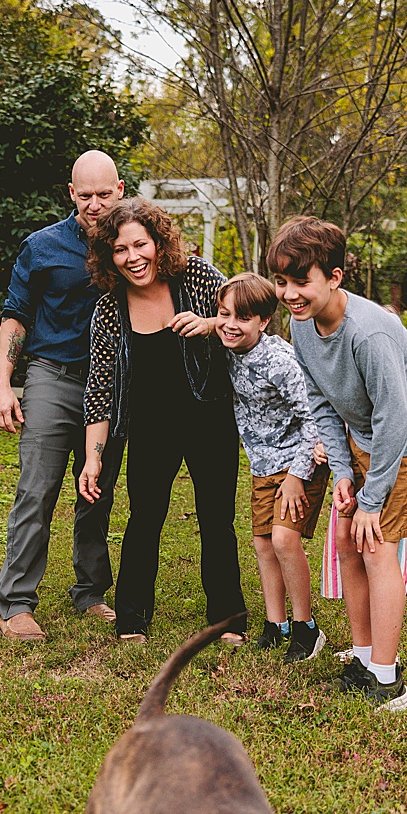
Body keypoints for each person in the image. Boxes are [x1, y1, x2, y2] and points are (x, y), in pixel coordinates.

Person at [269, 216, 407, 711]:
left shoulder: (368, 335)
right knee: (346, 541)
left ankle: (389, 682)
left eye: (300, 281)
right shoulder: (302, 326)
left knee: (375, 545)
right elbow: (319, 399)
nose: (289, 294)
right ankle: (365, 658)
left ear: (334, 276)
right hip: (364, 437)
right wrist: (346, 474)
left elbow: (396, 420)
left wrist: (371, 500)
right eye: (282, 282)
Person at [77, 198, 246, 641]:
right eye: (119, 250)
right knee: (144, 517)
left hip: (210, 419)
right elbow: (100, 388)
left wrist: (212, 323)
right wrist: (94, 458)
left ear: (158, 242)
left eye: (140, 244)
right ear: (107, 257)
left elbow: (247, 320)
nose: (133, 258)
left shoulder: (197, 276)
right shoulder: (110, 310)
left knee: (217, 518)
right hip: (151, 427)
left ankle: (228, 618)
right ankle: (132, 618)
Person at [0, 151, 127, 642]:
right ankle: (16, 604)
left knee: (97, 492)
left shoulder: (132, 245)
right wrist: (2, 383)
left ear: (120, 189)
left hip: (110, 384)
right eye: (85, 195)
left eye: (104, 194)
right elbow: (16, 316)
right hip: (52, 376)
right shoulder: (41, 246)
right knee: (38, 487)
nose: (94, 205)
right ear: (72, 194)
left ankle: (90, 593)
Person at [211, 273, 330, 662]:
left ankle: (306, 628)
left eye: (243, 317)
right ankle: (275, 624)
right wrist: (212, 323)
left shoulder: (279, 361)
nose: (230, 323)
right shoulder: (231, 344)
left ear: (263, 321)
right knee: (263, 544)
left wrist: (298, 476)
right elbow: (219, 325)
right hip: (263, 464)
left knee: (283, 540)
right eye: (223, 314)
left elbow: (314, 418)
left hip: (301, 460)